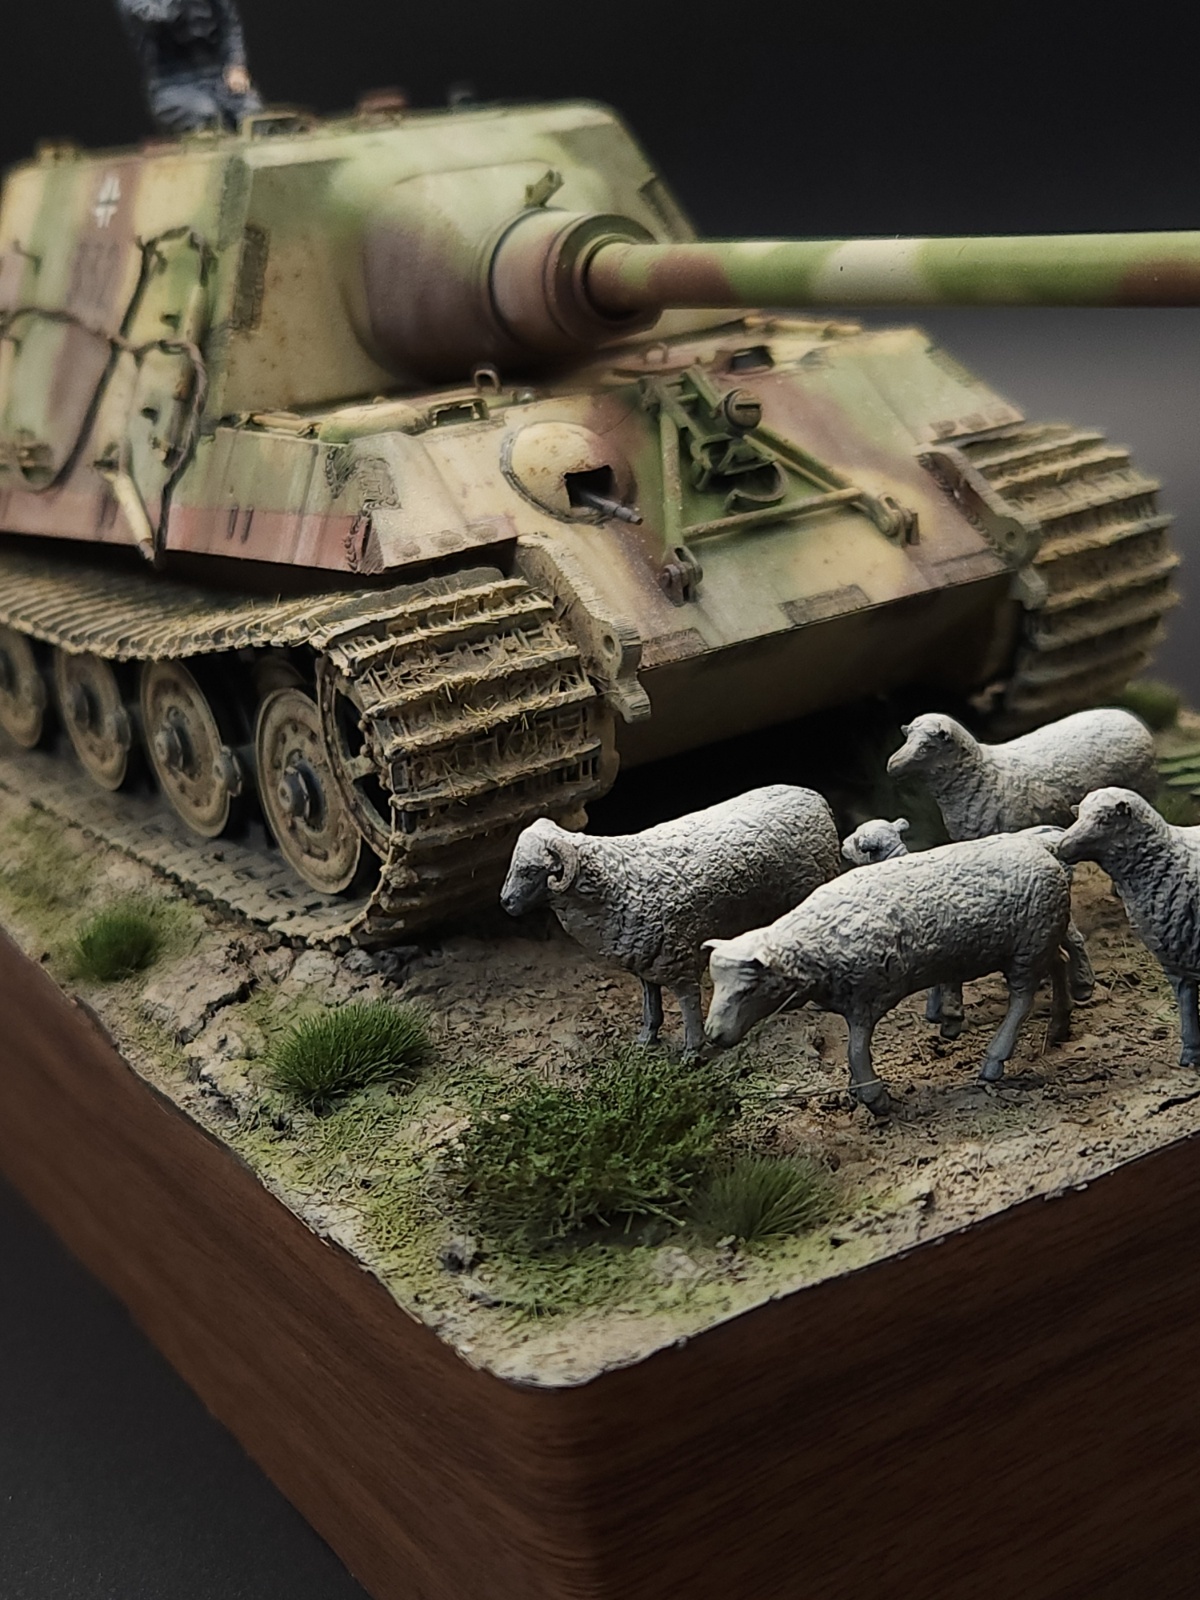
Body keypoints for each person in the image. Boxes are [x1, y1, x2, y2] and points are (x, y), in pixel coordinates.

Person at [114, 0, 263, 134]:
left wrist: (235, 64)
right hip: (172, 82)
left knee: (252, 114)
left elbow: (229, 24)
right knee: (205, 117)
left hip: (218, 74)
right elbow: (156, 20)